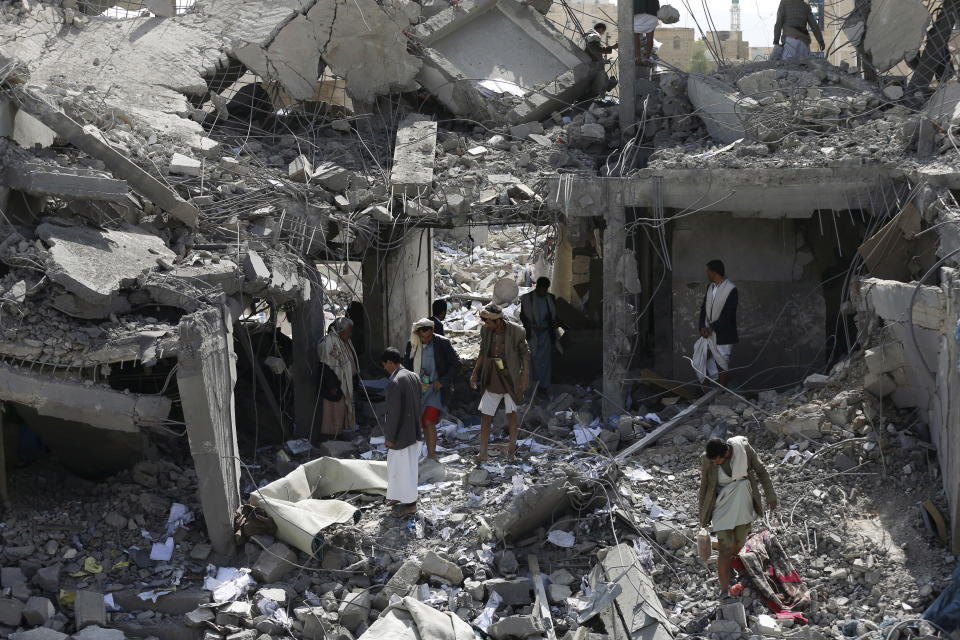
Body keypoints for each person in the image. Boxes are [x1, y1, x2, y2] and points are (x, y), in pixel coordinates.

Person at [698, 436, 777, 602]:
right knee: (724, 549)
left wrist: (770, 495)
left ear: (725, 453)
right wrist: (703, 517)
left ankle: (731, 569)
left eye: (717, 460)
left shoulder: (743, 449)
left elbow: (761, 471)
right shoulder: (708, 460)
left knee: (737, 546)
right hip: (722, 506)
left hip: (743, 502)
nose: (715, 463)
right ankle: (724, 589)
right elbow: (704, 486)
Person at [469, 304, 530, 461]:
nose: (486, 325)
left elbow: (525, 354)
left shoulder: (517, 331)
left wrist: (525, 376)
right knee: (486, 416)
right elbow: (483, 352)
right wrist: (475, 373)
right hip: (492, 375)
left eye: (488, 322)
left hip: (510, 377)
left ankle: (511, 450)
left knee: (512, 415)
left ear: (498, 321)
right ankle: (483, 453)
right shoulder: (486, 330)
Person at [404, 318, 461, 460]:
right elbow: (407, 365)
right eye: (423, 337)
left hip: (435, 390)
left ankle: (432, 455)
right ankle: (421, 455)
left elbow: (456, 364)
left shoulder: (442, 343)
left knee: (429, 421)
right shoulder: (412, 344)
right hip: (418, 389)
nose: (426, 340)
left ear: (433, 332)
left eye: (428, 337)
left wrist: (443, 381)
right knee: (421, 423)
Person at [381, 348, 423, 517]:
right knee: (400, 466)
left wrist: (390, 438)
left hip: (401, 435)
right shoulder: (413, 375)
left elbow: (394, 413)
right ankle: (397, 496)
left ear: (391, 362)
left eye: (385, 365)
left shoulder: (395, 381)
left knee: (403, 468)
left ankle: (410, 505)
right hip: (413, 430)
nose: (384, 368)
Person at [693, 260, 738, 387]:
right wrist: (702, 326)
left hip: (724, 333)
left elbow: (728, 314)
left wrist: (711, 328)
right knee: (700, 358)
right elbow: (703, 309)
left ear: (713, 272)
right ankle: (707, 392)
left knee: (722, 362)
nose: (707, 273)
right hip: (708, 332)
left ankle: (721, 391)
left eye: (708, 271)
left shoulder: (731, 289)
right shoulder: (710, 287)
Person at [317, 317, 358, 437]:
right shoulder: (329, 342)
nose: (350, 334)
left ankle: (339, 433)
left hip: (343, 382)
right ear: (341, 330)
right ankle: (332, 436)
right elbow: (326, 365)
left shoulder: (343, 341)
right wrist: (332, 385)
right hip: (334, 383)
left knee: (342, 410)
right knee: (334, 412)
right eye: (348, 331)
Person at [519, 277, 559, 395]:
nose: (543, 292)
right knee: (532, 359)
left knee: (545, 361)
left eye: (545, 290)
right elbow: (523, 316)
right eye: (541, 289)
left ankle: (544, 386)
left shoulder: (550, 298)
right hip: (533, 335)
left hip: (546, 335)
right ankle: (532, 385)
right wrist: (532, 326)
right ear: (537, 287)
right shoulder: (527, 299)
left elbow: (554, 317)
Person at [583, 23, 619, 97]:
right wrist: (612, 47)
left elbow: (594, 51)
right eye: (603, 32)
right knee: (601, 79)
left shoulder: (587, 37)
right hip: (593, 64)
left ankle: (604, 89)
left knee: (601, 79)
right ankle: (604, 90)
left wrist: (603, 61)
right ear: (601, 29)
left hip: (589, 63)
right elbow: (597, 50)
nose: (602, 34)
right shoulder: (594, 36)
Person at [633, 0, 660, 65]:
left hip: (638, 11)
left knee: (636, 36)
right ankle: (647, 58)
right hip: (652, 12)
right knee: (650, 37)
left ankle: (637, 57)